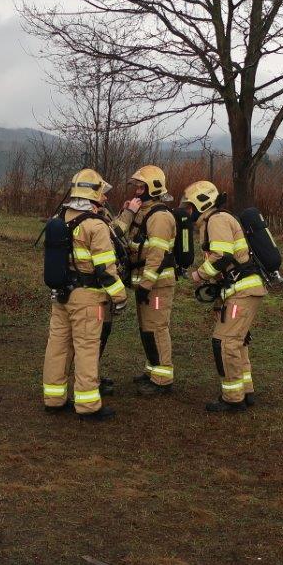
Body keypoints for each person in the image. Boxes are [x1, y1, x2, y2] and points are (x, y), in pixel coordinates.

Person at [41, 169, 125, 421]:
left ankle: (54, 399)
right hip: (88, 298)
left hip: (61, 295)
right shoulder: (95, 225)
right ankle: (88, 406)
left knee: (57, 346)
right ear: (94, 193)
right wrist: (120, 297)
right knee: (87, 348)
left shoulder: (60, 217)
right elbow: (106, 269)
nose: (105, 198)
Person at [184, 180, 266, 413]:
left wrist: (199, 275)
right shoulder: (215, 220)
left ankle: (233, 398)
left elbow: (222, 257)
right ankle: (245, 391)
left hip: (242, 290)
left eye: (190, 206)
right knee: (237, 342)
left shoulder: (217, 220)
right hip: (241, 289)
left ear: (202, 204)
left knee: (225, 342)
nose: (188, 211)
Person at [112, 165, 178, 396]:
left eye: (142, 186)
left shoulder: (160, 216)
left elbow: (157, 256)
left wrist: (146, 285)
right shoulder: (144, 211)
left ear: (153, 188)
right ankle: (152, 370)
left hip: (157, 286)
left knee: (157, 328)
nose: (137, 191)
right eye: (137, 187)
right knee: (147, 328)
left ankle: (163, 379)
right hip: (145, 284)